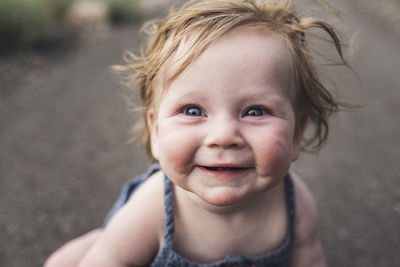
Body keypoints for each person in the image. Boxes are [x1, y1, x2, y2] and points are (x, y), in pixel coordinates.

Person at [45, 0, 351, 266]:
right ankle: (100, 238)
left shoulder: (294, 203)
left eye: (255, 111)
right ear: (155, 129)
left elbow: (309, 260)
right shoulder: (152, 209)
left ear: (297, 135)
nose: (223, 135)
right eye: (193, 111)